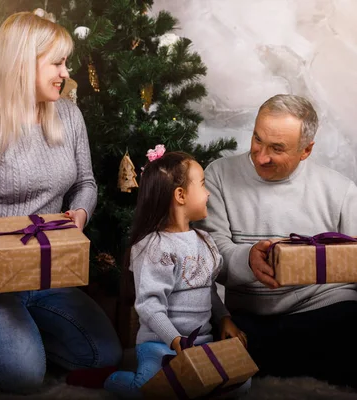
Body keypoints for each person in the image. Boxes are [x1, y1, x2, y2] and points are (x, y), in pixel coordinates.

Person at [197, 94, 357, 392]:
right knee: (219, 375)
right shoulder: (218, 175)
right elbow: (209, 253)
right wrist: (247, 260)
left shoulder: (337, 188)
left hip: (330, 311)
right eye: (257, 140)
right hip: (253, 318)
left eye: (277, 148)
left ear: (306, 150)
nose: (260, 156)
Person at [0, 11, 121, 394]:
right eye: (57, 62)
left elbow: (87, 184)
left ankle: (14, 331)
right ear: (23, 63)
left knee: (104, 356)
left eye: (66, 62)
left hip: (46, 273)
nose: (65, 72)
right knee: (22, 376)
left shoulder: (70, 117)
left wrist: (81, 212)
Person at [104, 150, 251, 398]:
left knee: (241, 385)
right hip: (160, 346)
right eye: (203, 185)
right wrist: (175, 342)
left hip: (201, 345)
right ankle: (114, 380)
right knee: (153, 392)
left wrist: (224, 318)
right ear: (180, 195)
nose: (208, 194)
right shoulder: (154, 247)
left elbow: (208, 289)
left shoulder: (204, 240)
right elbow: (149, 306)